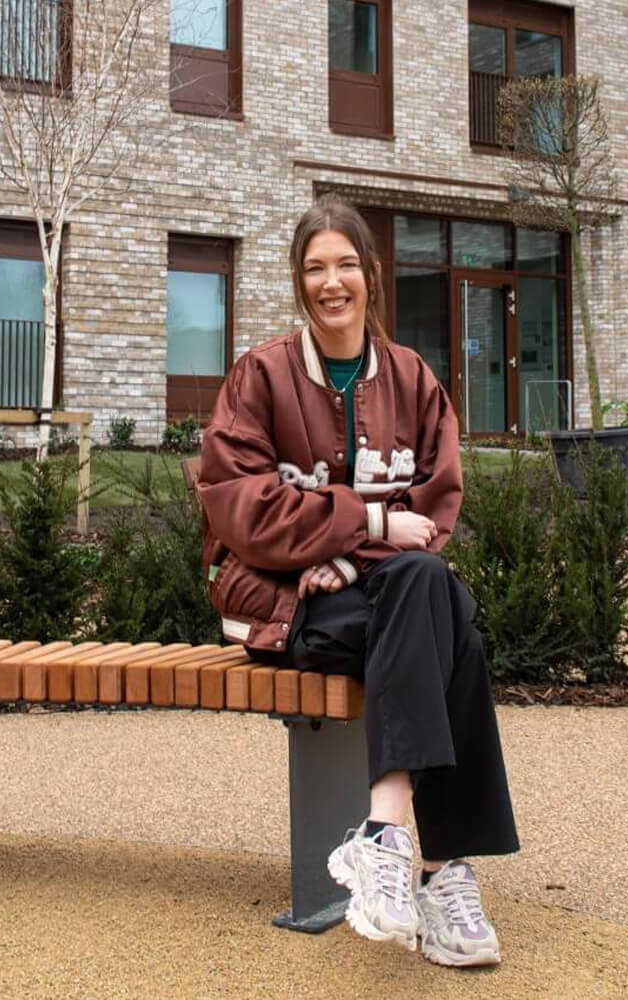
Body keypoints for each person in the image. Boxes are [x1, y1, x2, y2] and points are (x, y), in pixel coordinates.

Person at [197, 194, 519, 967]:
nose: (330, 282)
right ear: (299, 282)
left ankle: (385, 835)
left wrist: (346, 556)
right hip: (279, 605)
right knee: (450, 622)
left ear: (371, 274)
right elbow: (240, 510)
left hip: (368, 598)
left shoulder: (412, 378)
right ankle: (442, 873)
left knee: (427, 592)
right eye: (315, 268)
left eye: (345, 264)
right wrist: (367, 527)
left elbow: (435, 509)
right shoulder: (261, 376)